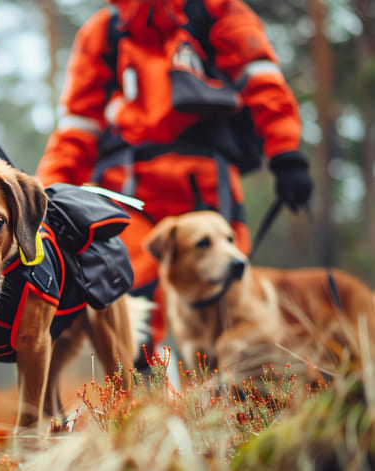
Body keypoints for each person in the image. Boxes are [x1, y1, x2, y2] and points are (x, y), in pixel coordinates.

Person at [37, 0, 313, 357]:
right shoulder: (102, 32)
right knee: (128, 294)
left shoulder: (218, 11)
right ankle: (140, 402)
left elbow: (262, 81)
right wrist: (45, 195)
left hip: (207, 183)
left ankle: (241, 404)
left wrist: (285, 152)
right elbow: (77, 127)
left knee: (229, 294)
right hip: (127, 190)